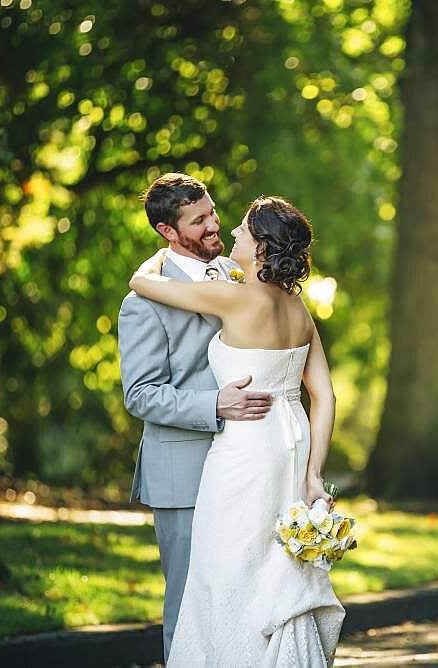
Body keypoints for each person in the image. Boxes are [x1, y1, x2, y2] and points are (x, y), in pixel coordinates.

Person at [128, 195, 345, 666]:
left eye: (242, 231)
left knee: (224, 570)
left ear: (263, 246)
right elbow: (325, 396)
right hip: (291, 445)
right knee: (274, 567)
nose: (231, 235)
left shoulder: (234, 295)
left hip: (244, 449)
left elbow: (141, 283)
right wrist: (314, 475)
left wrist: (159, 257)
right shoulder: (299, 310)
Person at [118, 173, 275, 662]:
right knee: (188, 605)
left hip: (244, 462)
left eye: (212, 213)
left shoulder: (236, 272)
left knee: (242, 595)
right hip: (182, 472)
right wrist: (214, 405)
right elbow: (140, 395)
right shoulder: (143, 302)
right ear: (168, 231)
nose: (215, 225)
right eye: (199, 220)